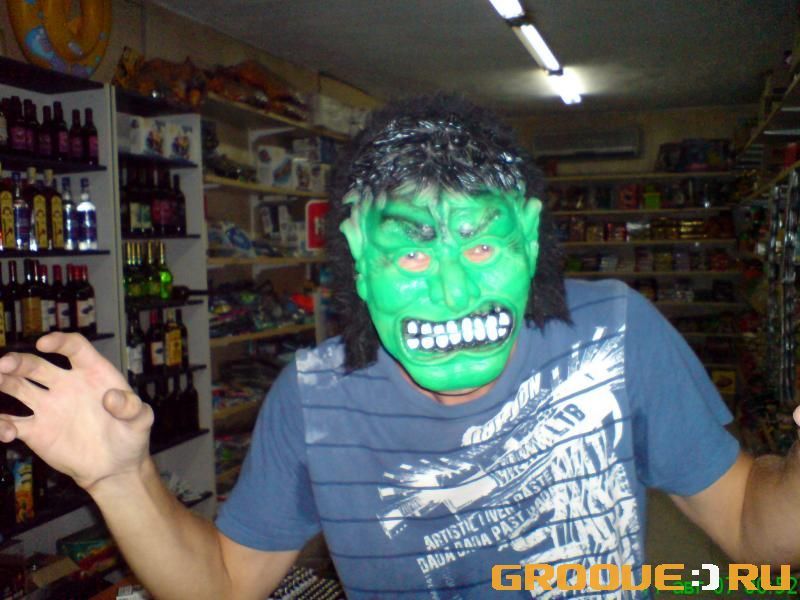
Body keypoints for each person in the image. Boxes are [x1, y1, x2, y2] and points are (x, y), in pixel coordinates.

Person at [0, 94, 797, 599]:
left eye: (481, 245)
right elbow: (224, 585)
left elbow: (750, 527)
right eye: (412, 253)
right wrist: (120, 478)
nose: (453, 292)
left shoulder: (617, 333)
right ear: (356, 254)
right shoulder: (313, 397)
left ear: (529, 238)